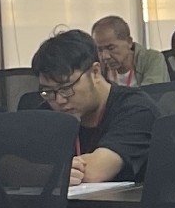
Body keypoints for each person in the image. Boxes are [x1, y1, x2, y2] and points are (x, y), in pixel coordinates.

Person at [31, 28, 156, 184]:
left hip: (126, 200)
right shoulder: (49, 112)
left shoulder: (136, 109)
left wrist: (42, 172)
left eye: (66, 88)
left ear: (95, 72)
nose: (60, 100)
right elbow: (9, 167)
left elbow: (95, 172)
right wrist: (54, 172)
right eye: (48, 91)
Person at [92, 15, 168, 88]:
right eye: (100, 50)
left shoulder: (152, 59)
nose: (105, 56)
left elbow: (152, 93)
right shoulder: (97, 68)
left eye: (111, 48)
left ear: (129, 42)